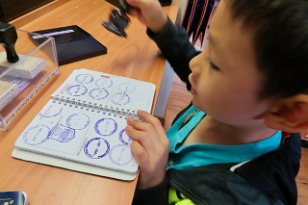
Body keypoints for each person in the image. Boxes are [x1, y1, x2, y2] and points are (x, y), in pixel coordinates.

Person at [124, 0, 308, 204]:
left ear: (287, 112)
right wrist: (160, 23)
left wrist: (152, 185)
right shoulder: (242, 112)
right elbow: (200, 67)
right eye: (207, 45)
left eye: (214, 64)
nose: (195, 63)